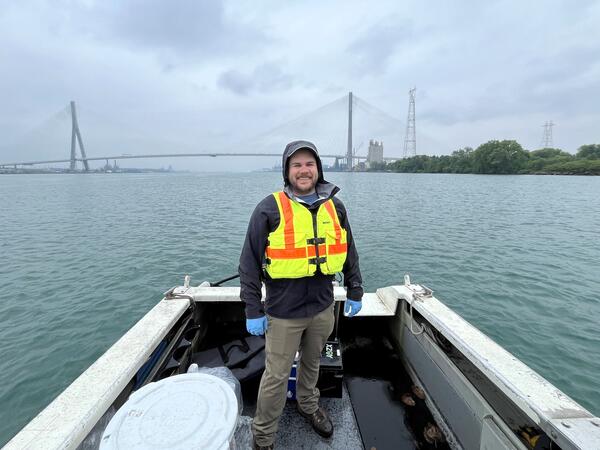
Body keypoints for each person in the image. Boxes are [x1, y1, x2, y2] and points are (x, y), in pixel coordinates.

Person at [238, 140, 363, 450]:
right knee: (276, 376)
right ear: (287, 171)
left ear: (318, 169)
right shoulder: (269, 208)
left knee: (312, 363)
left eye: (309, 164)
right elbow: (248, 263)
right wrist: (253, 309)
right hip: (283, 313)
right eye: (297, 165)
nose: (304, 170)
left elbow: (349, 252)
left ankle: (309, 406)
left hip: (323, 308)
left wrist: (355, 289)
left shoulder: (335, 207)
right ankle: (263, 437)